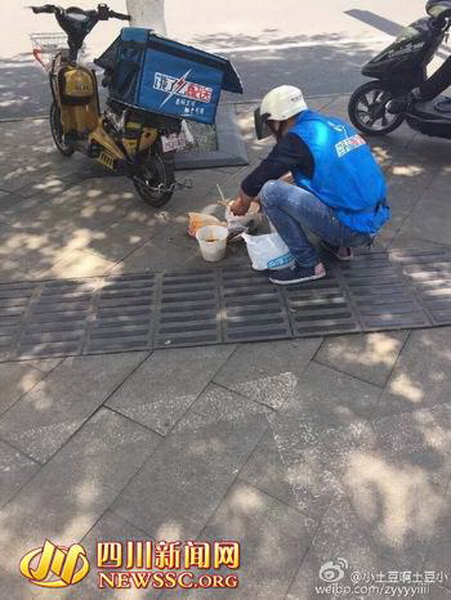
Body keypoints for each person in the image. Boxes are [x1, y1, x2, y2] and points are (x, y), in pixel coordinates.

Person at [230, 85, 390, 286]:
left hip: (351, 229)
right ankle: (338, 246)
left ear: (280, 121)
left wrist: (242, 203)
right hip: (374, 220)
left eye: (271, 125)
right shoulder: (332, 125)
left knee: (271, 191)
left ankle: (309, 265)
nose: (272, 133)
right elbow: (316, 172)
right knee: (295, 185)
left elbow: (258, 179)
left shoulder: (297, 138)